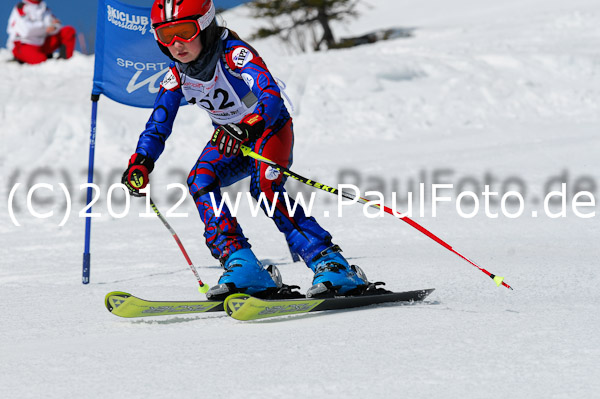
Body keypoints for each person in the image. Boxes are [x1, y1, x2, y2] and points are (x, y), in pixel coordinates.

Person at [122, 0, 370, 300]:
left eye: (184, 31)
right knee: (200, 178)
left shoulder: (234, 55)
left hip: (269, 128)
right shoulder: (176, 76)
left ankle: (330, 263)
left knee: (265, 187)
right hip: (231, 139)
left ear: (205, 24)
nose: (176, 44)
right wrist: (141, 162)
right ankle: (241, 263)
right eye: (165, 35)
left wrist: (249, 125)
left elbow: (270, 95)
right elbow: (157, 125)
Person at [6, 0, 76, 65]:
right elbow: (26, 30)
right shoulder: (21, 7)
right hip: (23, 44)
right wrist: (46, 28)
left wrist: (54, 27)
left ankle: (64, 62)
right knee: (41, 60)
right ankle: (21, 58)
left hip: (42, 43)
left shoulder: (44, 8)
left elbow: (57, 24)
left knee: (68, 31)